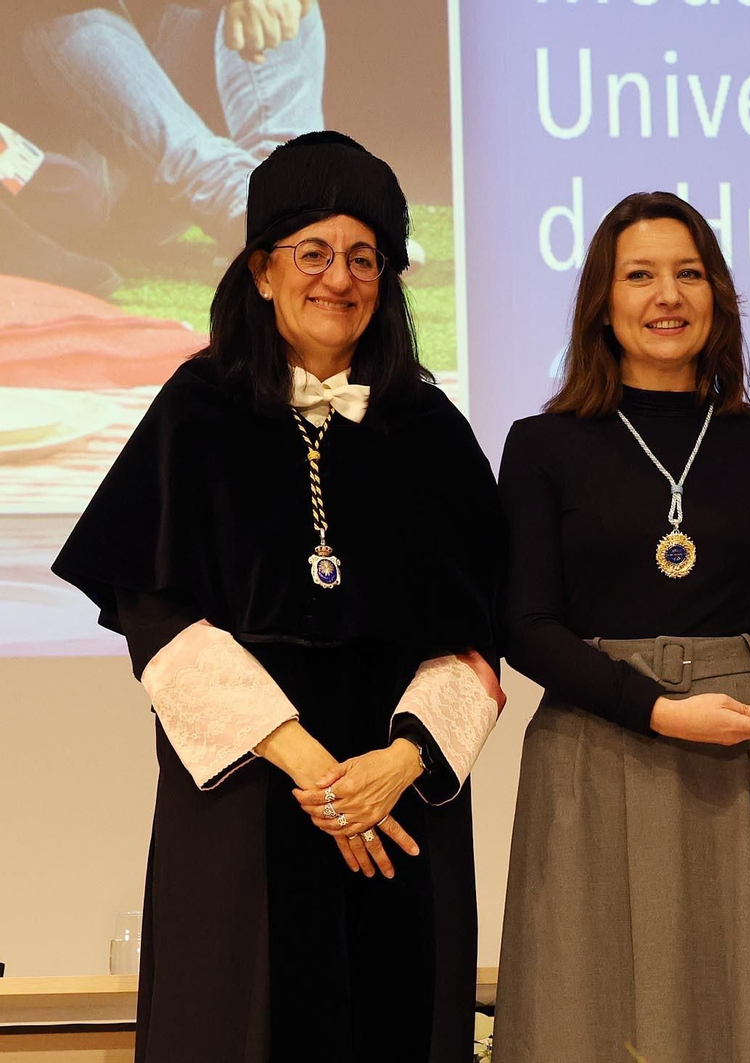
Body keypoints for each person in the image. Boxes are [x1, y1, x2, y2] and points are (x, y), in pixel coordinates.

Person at [52, 131, 505, 1062]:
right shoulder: (196, 409)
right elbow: (160, 620)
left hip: (399, 806)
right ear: (261, 271)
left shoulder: (429, 428)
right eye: (313, 252)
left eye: (363, 257)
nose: (338, 278)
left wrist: (399, 762)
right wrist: (315, 769)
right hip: (249, 799)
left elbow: (473, 637)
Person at [493, 191, 750, 1063]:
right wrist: (656, 709)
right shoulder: (542, 444)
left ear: (719, 296)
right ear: (602, 304)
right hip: (596, 747)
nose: (667, 296)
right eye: (640, 274)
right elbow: (523, 623)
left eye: (689, 273)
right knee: (590, 1012)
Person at [17, 0, 324, 247]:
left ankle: (292, 197)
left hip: (154, 189)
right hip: (57, 174)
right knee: (58, 6)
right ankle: (258, 214)